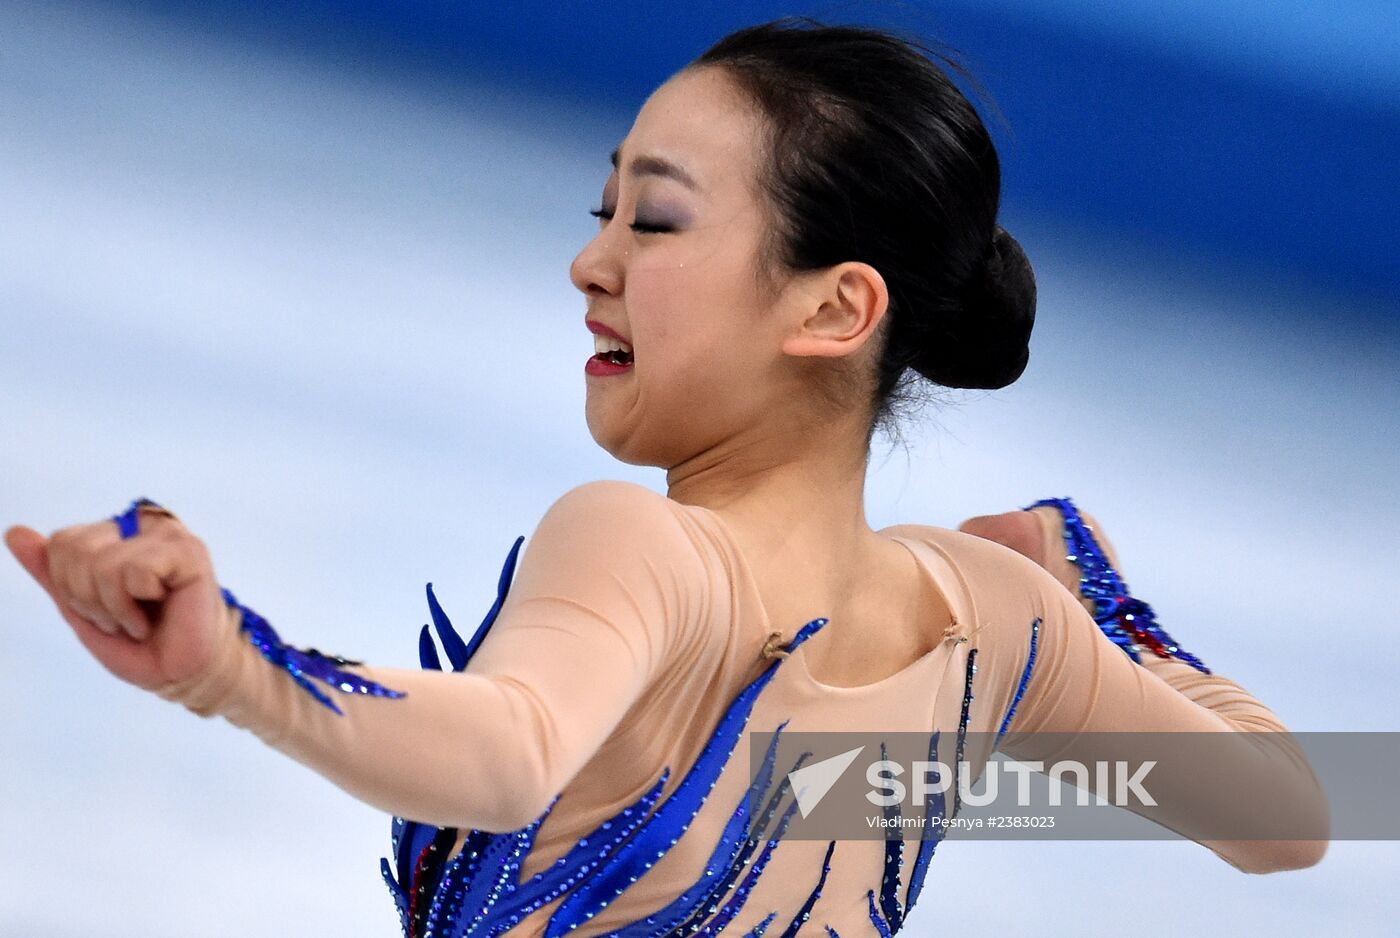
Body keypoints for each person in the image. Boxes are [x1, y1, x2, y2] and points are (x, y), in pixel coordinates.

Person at [3, 16, 1327, 938]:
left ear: (832, 308)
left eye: (657, 216)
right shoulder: (993, 621)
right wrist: (1105, 606)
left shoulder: (650, 551)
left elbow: (511, 751)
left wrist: (233, 664)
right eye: (603, 212)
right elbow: (1293, 814)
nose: (594, 262)